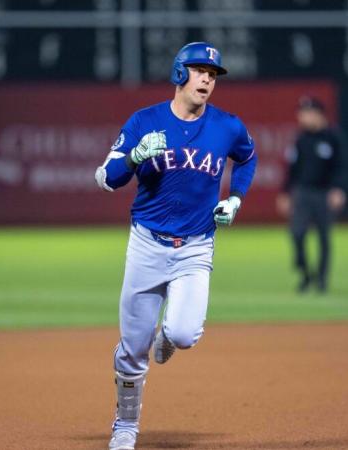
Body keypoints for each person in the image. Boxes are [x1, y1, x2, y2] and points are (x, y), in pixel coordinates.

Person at [94, 41, 257, 450]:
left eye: (213, 74)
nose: (207, 78)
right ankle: (126, 426)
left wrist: (234, 198)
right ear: (179, 73)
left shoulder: (227, 126)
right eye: (200, 70)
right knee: (132, 349)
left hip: (196, 247)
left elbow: (248, 157)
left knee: (184, 334)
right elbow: (106, 178)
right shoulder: (144, 121)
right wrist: (133, 156)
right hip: (147, 245)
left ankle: (166, 336)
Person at [276, 96, 348, 293]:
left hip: (324, 193)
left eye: (306, 113)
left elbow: (341, 167)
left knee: (324, 237)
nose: (302, 118)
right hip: (302, 192)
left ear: (318, 114)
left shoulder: (333, 137)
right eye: (301, 114)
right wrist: (285, 193)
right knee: (297, 233)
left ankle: (322, 280)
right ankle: (306, 274)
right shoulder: (301, 139)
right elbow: (292, 168)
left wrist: (338, 189)